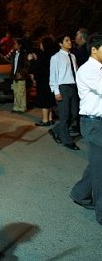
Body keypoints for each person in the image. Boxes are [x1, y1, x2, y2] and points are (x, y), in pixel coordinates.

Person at [70, 32, 102, 225]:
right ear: (94, 49)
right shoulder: (88, 70)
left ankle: (80, 193)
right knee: (101, 170)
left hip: (99, 123)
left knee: (97, 164)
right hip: (93, 124)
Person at [48, 34, 80, 150]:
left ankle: (56, 130)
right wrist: (56, 91)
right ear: (60, 44)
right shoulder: (55, 57)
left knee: (75, 113)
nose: (70, 42)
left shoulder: (73, 56)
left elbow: (76, 73)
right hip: (63, 88)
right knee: (65, 115)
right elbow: (53, 76)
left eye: (70, 40)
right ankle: (67, 141)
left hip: (73, 87)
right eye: (66, 40)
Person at [27, 36, 58, 126]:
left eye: (41, 44)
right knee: (49, 100)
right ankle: (50, 118)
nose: (40, 45)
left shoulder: (45, 55)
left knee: (45, 101)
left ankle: (45, 120)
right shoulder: (53, 54)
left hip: (44, 82)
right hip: (52, 81)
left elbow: (35, 67)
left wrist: (31, 60)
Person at [10, 39, 29, 114]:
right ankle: (16, 107)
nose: (14, 45)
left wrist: (21, 73)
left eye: (16, 44)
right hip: (14, 76)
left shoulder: (24, 54)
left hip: (21, 76)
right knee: (16, 92)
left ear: (20, 45)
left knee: (21, 92)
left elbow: (26, 65)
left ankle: (22, 107)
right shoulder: (14, 54)